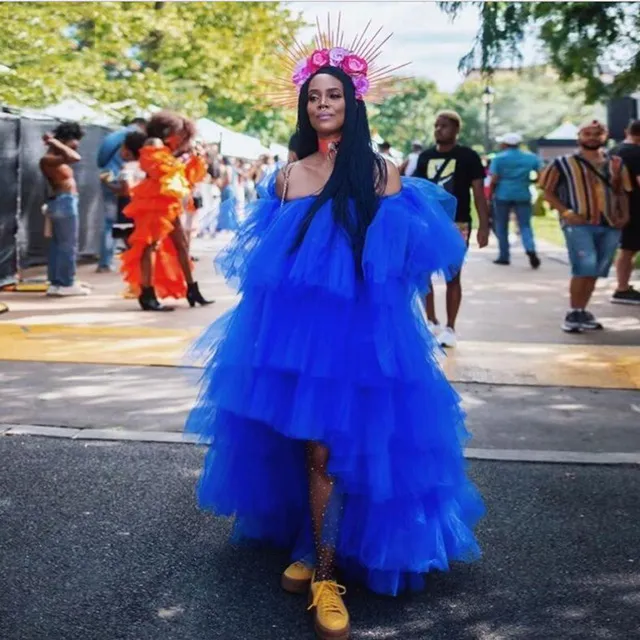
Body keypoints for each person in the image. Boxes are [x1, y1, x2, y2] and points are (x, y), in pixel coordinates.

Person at [186, 30, 484, 640]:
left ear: (354, 104)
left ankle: (325, 573)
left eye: (334, 96)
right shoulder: (286, 175)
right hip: (293, 340)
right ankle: (310, 539)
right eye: (314, 97)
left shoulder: (381, 174)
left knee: (333, 448)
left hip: (361, 337)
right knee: (301, 444)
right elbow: (264, 269)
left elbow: (399, 268)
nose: (322, 104)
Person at [539, 119, 632, 332]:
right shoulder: (562, 163)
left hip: (610, 223)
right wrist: (567, 212)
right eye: (587, 133)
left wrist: (625, 216)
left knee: (596, 269)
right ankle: (573, 312)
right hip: (579, 223)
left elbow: (623, 191)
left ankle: (582, 310)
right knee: (584, 266)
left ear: (604, 137)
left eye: (596, 134)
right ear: (579, 137)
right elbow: (548, 192)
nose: (592, 137)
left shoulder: (616, 163)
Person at [120, 111, 212, 311]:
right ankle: (147, 293)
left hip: (166, 201)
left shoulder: (163, 146)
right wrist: (182, 161)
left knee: (181, 244)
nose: (180, 136)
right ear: (168, 129)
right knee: (150, 245)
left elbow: (171, 171)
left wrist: (187, 159)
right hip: (155, 201)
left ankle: (192, 289)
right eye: (178, 131)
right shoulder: (153, 142)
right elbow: (157, 168)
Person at [413, 111, 490, 348]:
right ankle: (432, 321)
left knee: (453, 277)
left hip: (458, 223)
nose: (438, 129)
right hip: (428, 223)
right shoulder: (425, 156)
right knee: (424, 274)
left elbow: (478, 193)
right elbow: (417, 191)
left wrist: (484, 226)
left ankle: (451, 328)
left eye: (444, 126)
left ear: (456, 129)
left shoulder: (468, 156)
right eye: (436, 125)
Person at [39, 122, 89, 297]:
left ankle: (57, 283)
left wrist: (57, 143)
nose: (77, 144)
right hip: (63, 202)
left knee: (59, 245)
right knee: (67, 245)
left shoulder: (56, 157)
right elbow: (75, 157)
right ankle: (65, 282)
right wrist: (55, 142)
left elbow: (73, 155)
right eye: (74, 140)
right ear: (65, 140)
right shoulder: (48, 159)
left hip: (63, 202)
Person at [96, 117, 147, 272]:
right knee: (131, 228)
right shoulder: (136, 137)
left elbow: (102, 163)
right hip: (128, 186)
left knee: (110, 223)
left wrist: (108, 182)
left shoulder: (115, 135)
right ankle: (138, 263)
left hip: (111, 175)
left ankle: (105, 261)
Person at [489, 132, 542, 268]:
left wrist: (490, 195)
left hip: (503, 194)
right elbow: (542, 174)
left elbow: (494, 178)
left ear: (505, 144)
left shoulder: (499, 158)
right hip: (523, 193)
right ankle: (530, 249)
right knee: (525, 225)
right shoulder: (530, 157)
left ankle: (504, 256)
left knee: (502, 225)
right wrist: (531, 180)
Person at [610, 120, 640, 305]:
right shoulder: (637, 153)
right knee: (629, 249)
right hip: (636, 205)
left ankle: (622, 287)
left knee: (626, 248)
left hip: (618, 206)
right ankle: (622, 288)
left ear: (626, 131)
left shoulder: (613, 151)